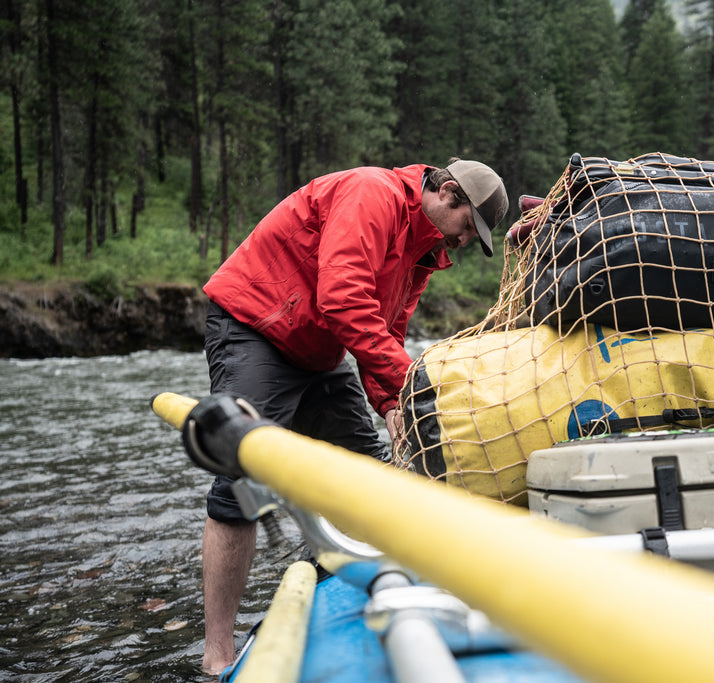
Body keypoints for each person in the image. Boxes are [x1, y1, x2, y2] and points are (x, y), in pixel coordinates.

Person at [198, 158, 508, 674]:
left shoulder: (423, 252)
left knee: (368, 470)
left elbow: (385, 334)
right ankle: (217, 653)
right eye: (466, 228)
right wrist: (412, 382)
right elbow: (343, 299)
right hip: (256, 325)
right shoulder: (372, 192)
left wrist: (391, 403)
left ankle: (334, 591)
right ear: (449, 193)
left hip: (319, 348)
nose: (461, 243)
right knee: (240, 476)